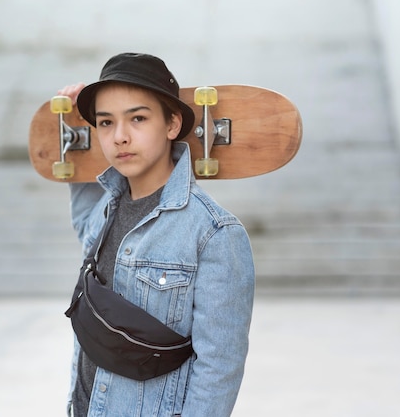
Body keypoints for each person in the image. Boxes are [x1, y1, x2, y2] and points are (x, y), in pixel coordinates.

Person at [57, 53, 255, 417]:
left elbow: (219, 368)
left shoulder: (215, 234)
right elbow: (84, 214)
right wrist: (74, 125)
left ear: (172, 123)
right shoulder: (105, 211)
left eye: (137, 118)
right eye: (105, 122)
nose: (119, 136)